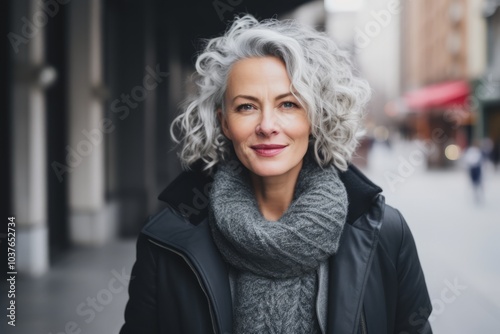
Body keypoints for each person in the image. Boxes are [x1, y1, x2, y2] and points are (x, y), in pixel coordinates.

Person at [120, 15, 432, 334]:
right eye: (246, 107)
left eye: (288, 105)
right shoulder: (165, 239)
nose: (267, 126)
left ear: (314, 116)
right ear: (224, 121)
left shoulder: (383, 233)